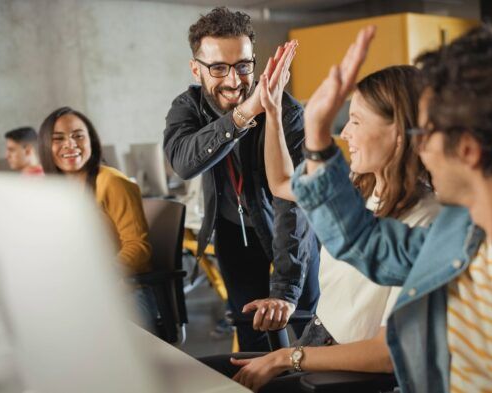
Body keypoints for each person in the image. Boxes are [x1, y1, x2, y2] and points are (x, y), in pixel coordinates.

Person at [291, 25, 492, 392]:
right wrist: (316, 136)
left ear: (468, 150)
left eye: (425, 133)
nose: (419, 149)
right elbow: (364, 241)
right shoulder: (462, 230)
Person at [203, 62, 442, 392]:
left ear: (398, 133)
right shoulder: (358, 190)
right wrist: (273, 112)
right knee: (193, 374)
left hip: (348, 375)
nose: (345, 133)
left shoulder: (428, 222)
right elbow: (282, 182)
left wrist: (283, 358)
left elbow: (389, 353)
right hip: (315, 341)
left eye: (355, 121)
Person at [163, 7, 320, 351]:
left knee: (312, 331)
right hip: (234, 232)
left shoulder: (289, 113)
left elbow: (292, 206)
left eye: (243, 66)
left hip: (290, 233)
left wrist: (285, 291)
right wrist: (244, 114)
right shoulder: (188, 108)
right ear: (196, 69)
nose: (234, 81)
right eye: (219, 68)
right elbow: (184, 162)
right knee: (251, 338)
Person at [38, 106, 158, 332]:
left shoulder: (111, 182)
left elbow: (139, 248)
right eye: (58, 139)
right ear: (46, 146)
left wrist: (97, 277)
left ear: (90, 140)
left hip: (125, 292)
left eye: (78, 136)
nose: (70, 144)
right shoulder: (53, 190)